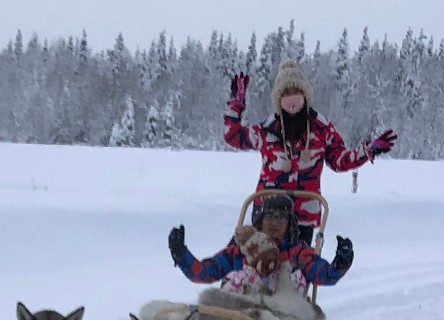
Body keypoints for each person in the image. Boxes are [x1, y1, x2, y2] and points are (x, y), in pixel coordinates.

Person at [224, 59, 393, 231]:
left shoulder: (321, 128)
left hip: (303, 217)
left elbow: (339, 160)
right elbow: (233, 136)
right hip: (267, 214)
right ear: (278, 98)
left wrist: (367, 151)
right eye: (286, 93)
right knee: (262, 256)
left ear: (305, 95)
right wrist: (236, 106)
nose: (292, 99)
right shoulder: (267, 129)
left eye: (296, 91)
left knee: (301, 258)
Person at [167, 194, 354, 296]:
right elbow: (205, 272)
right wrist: (181, 253)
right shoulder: (242, 249)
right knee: (238, 276)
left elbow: (324, 275)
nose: (274, 222)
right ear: (261, 219)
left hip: (281, 315)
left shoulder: (298, 251)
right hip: (240, 309)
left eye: (281, 218)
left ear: (290, 223)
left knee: (294, 277)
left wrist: (340, 263)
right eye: (270, 216)